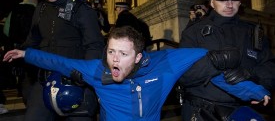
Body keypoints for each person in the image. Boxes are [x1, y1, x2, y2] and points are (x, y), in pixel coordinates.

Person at [3, 26, 271, 121]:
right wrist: (26, 54)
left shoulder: (165, 62)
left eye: (122, 53)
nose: (114, 59)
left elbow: (214, 65)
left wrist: (254, 91)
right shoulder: (97, 70)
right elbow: (59, 62)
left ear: (140, 57)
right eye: (111, 52)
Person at [178, 0, 275, 121]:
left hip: (241, 112)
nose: (229, 4)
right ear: (212, 2)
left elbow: (269, 67)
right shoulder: (193, 32)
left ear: (240, 1)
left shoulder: (253, 32)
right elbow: (183, 75)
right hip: (201, 112)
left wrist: (251, 74)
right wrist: (213, 62)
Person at [19, 0, 105, 121]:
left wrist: (83, 77)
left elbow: (95, 46)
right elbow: (32, 41)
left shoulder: (82, 9)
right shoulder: (40, 10)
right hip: (45, 83)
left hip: (76, 83)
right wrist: (20, 57)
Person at [4, 0, 38, 99]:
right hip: (34, 47)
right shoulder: (38, 10)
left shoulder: (14, 11)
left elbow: (6, 31)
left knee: (22, 75)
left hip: (18, 48)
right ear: (34, 0)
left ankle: (24, 94)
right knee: (34, 73)